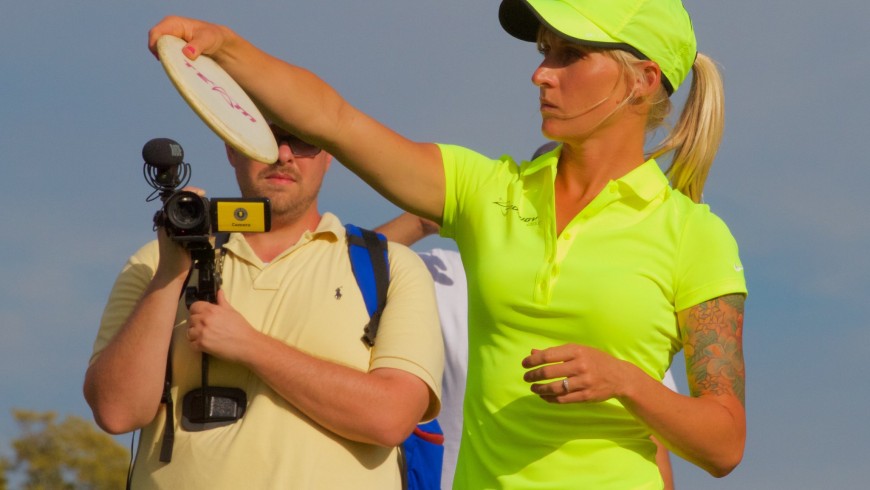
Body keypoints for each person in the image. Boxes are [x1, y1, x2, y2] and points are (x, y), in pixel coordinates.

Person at [147, 0, 747, 487]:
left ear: (642, 80)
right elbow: (333, 119)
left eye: (570, 55)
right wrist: (225, 47)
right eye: (545, 54)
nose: (541, 73)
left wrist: (627, 382)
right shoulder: (484, 189)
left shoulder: (695, 235)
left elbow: (723, 443)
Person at [83, 126, 444, 489]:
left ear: (330, 151)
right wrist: (168, 276)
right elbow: (117, 411)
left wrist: (249, 345)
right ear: (231, 147)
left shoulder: (389, 266)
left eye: (304, 140)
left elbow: (391, 418)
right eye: (264, 137)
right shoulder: (153, 264)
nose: (283, 154)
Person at [375, 210, 678, 490]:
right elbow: (343, 269)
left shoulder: (627, 313)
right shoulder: (453, 274)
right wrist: (420, 221)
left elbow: (652, 442)